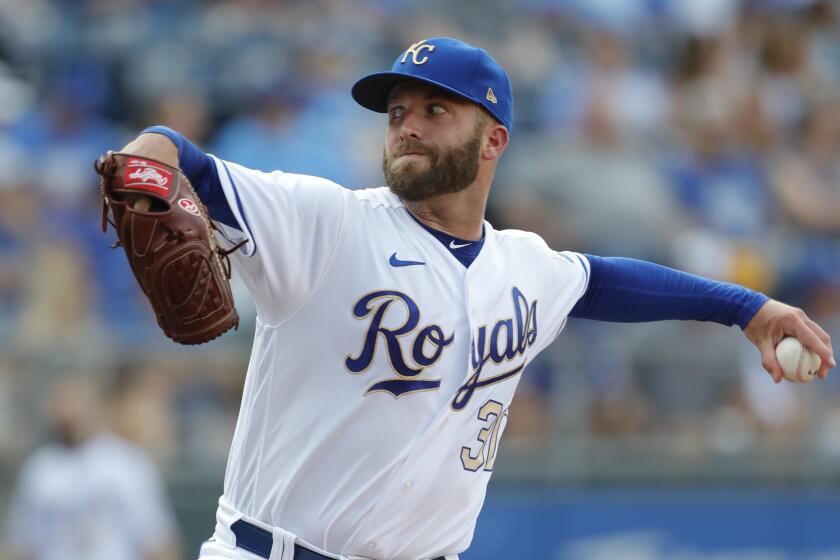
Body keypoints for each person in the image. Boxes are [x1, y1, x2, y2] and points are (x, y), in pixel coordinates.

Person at [115, 37, 834, 560]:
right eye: (397, 111)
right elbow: (172, 149)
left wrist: (749, 308)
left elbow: (611, 281)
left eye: (435, 110)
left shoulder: (524, 267)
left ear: (494, 141)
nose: (408, 125)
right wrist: (147, 165)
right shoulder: (327, 221)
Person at [2, 374, 181, 560]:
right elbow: (20, 545)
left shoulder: (127, 463)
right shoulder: (40, 468)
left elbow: (158, 542)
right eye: (61, 401)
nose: (68, 411)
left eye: (75, 400)